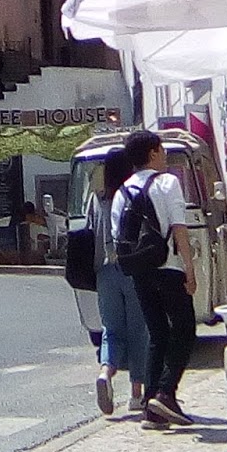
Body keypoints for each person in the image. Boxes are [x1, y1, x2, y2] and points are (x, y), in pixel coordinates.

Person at [115, 129, 197, 427]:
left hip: (140, 270)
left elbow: (118, 237)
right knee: (184, 330)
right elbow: (179, 227)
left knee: (157, 333)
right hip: (168, 267)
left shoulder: (122, 192)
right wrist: (189, 268)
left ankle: (151, 407)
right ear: (152, 153)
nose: (164, 156)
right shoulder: (167, 183)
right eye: (162, 151)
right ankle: (165, 393)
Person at [88, 148, 150, 415]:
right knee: (139, 330)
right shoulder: (132, 195)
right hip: (132, 268)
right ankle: (136, 394)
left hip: (104, 270)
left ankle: (106, 373)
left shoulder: (97, 199)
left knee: (110, 330)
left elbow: (91, 231)